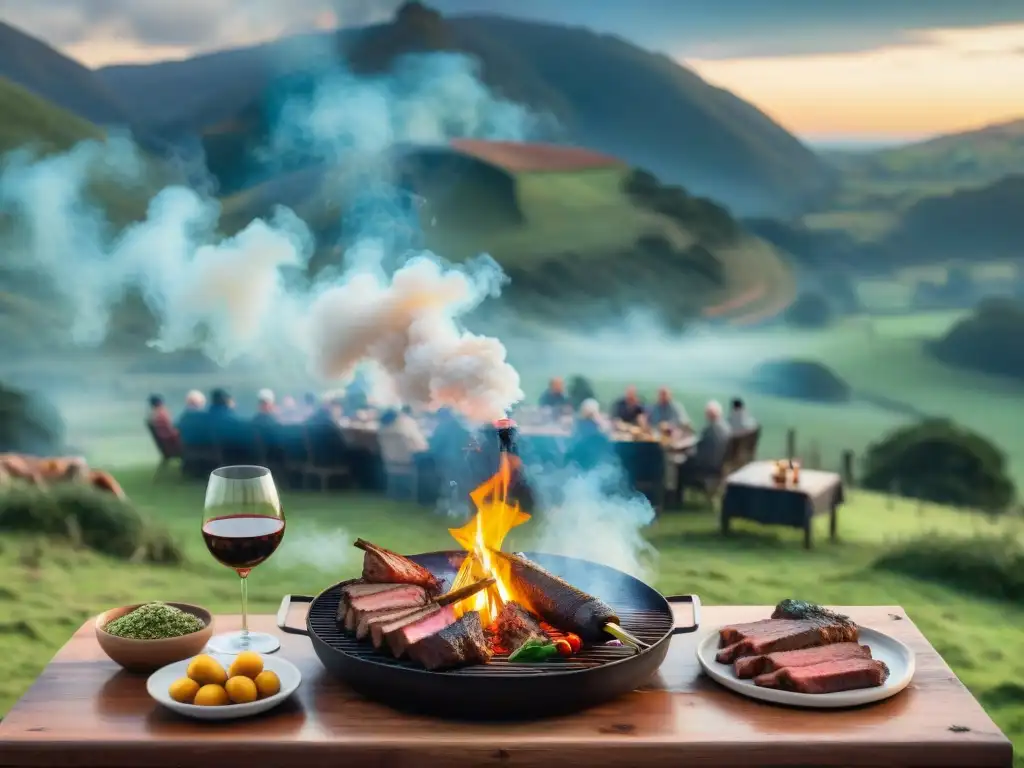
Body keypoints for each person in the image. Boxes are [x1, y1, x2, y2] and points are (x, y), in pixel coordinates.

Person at [566, 398, 615, 471]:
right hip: (593, 461)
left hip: (577, 460)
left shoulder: (577, 424)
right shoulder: (597, 427)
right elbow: (607, 436)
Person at [688, 400, 731, 471]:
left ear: (708, 415)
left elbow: (699, 450)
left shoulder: (709, 430)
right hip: (721, 463)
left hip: (710, 466)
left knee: (682, 465)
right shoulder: (726, 427)